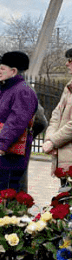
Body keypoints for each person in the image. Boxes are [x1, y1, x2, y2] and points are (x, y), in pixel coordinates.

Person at [0, 51, 38, 193]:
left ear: (13, 71)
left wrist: (2, 144)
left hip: (8, 156)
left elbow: (17, 121)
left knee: (6, 196)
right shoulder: (2, 90)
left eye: (2, 69)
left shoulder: (22, 91)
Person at [43, 49, 72, 185]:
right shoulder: (69, 87)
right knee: (65, 200)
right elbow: (56, 114)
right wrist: (50, 138)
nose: (67, 64)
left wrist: (53, 141)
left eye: (70, 61)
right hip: (65, 157)